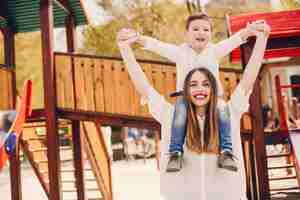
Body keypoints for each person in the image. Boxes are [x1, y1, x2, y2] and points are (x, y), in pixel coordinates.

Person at [118, 20, 269, 200]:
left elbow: (248, 77)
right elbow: (144, 85)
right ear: (186, 89)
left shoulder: (229, 112)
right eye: (193, 84)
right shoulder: (172, 116)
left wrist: (261, 39)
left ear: (213, 88)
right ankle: (176, 153)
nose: (200, 89)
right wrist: (126, 48)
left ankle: (225, 152)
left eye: (206, 84)